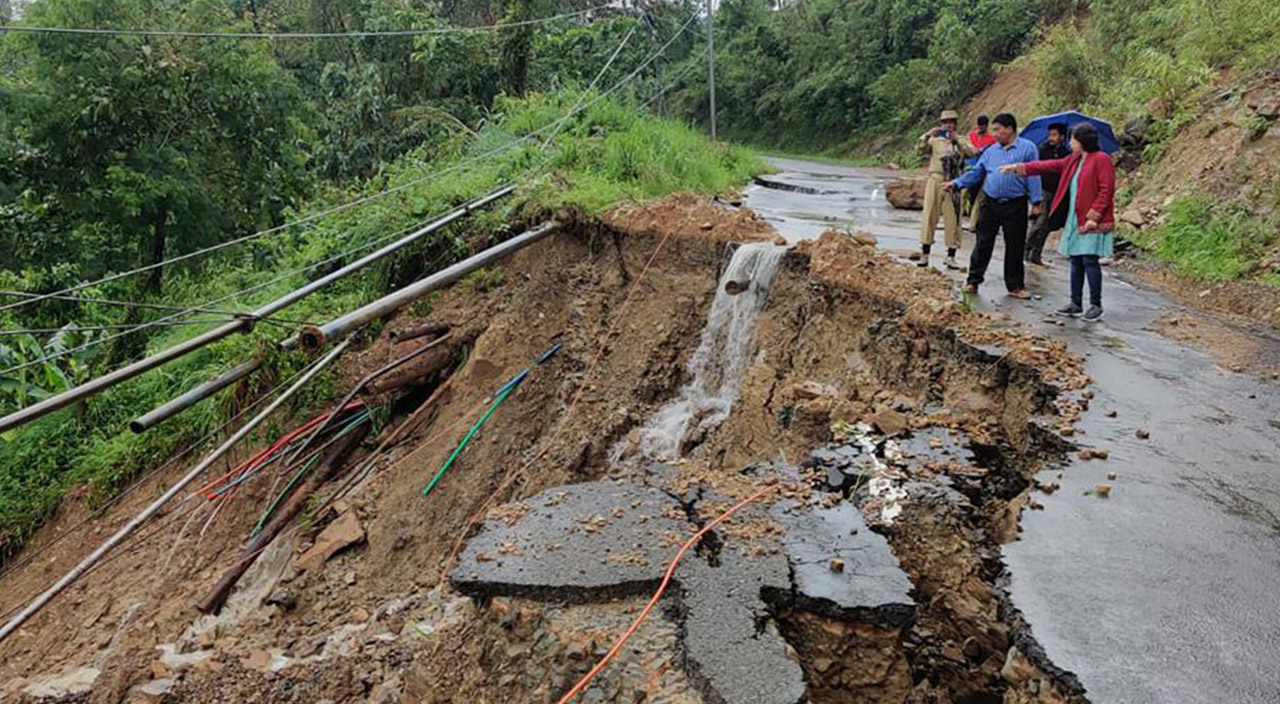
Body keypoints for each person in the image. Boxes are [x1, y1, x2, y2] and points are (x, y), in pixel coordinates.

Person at [1000, 122, 1116, 322]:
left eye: (1073, 139)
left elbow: (1107, 190)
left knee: (1089, 260)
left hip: (1090, 219)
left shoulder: (1101, 159)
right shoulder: (1074, 160)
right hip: (1074, 217)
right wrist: (1020, 168)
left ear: (1082, 141)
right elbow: (1049, 166)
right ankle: (1076, 303)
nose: (1070, 143)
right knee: (1075, 260)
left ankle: (1095, 305)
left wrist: (1093, 217)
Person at [942, 113, 1041, 299]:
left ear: (1010, 129)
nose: (994, 134)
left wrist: (1036, 202)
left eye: (997, 130)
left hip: (1016, 204)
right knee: (983, 243)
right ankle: (973, 281)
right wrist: (956, 184)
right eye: (993, 130)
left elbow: (1034, 175)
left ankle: (1015, 286)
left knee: (1015, 246)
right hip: (990, 202)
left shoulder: (1028, 149)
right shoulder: (991, 151)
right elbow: (977, 173)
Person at [916, 110, 975, 270]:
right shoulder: (934, 140)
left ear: (955, 124)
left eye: (951, 122)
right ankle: (925, 253)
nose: (948, 125)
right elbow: (920, 148)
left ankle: (951, 256)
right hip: (935, 178)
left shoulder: (961, 140)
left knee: (953, 219)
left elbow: (972, 152)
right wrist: (928, 134)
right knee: (929, 215)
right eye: (945, 122)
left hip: (954, 181)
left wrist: (957, 141)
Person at [1024, 123, 1071, 266]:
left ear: (1062, 137)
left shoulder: (1067, 153)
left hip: (1059, 192)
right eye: (1050, 135)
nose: (1051, 138)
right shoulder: (1042, 150)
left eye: (1054, 135)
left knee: (1049, 225)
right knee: (1039, 222)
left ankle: (1036, 253)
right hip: (1043, 190)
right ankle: (1026, 249)